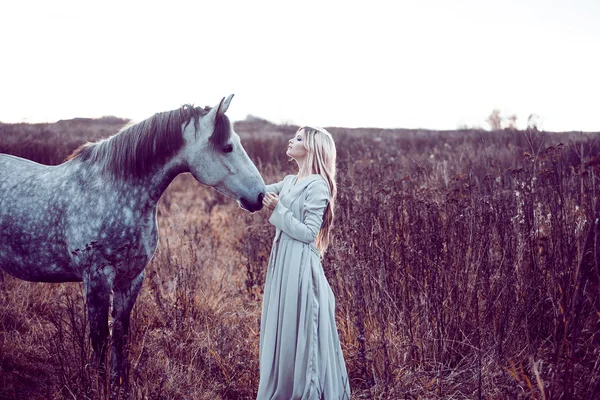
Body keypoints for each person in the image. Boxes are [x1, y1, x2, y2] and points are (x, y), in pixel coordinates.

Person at [258, 126, 351, 399]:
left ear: (311, 148)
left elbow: (309, 234)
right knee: (282, 327)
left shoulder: (318, 185)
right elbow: (256, 191)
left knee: (302, 329)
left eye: (298, 138)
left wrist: (278, 210)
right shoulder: (289, 181)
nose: (291, 140)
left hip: (300, 266)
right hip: (283, 262)